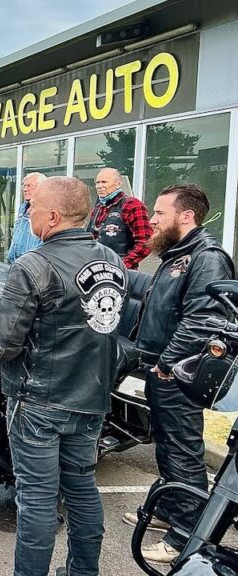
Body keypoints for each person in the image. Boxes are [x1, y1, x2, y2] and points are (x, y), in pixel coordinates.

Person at [0, 176, 128, 576]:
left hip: (39, 402)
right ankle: (83, 572)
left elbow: (0, 345)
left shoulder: (33, 265)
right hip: (90, 398)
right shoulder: (111, 261)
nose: (29, 214)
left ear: (54, 216)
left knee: (38, 501)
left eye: (34, 208)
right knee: (81, 491)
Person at [128, 183, 236, 564]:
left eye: (160, 213)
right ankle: (169, 510)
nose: (153, 220)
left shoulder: (206, 258)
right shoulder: (179, 254)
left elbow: (201, 321)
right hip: (163, 371)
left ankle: (184, 535)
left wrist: (167, 362)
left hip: (179, 375)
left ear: (186, 215)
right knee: (166, 445)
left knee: (183, 451)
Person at [88, 168, 152, 269]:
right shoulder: (98, 208)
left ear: (118, 184)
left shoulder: (132, 205)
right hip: (97, 270)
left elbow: (146, 242)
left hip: (123, 271)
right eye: (97, 183)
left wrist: (122, 265)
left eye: (104, 182)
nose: (99, 186)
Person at [6, 172, 46, 263]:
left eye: (29, 186)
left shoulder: (46, 210)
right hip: (15, 263)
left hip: (33, 265)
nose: (25, 189)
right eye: (24, 186)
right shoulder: (23, 208)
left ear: (41, 188)